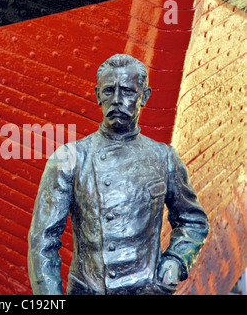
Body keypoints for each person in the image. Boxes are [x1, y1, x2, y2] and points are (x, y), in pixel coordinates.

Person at [27, 54, 209, 295]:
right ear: (97, 95)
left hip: (148, 290)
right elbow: (43, 242)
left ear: (144, 97)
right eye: (109, 91)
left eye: (127, 91)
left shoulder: (164, 158)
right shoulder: (70, 158)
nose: (117, 100)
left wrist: (176, 260)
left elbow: (193, 221)